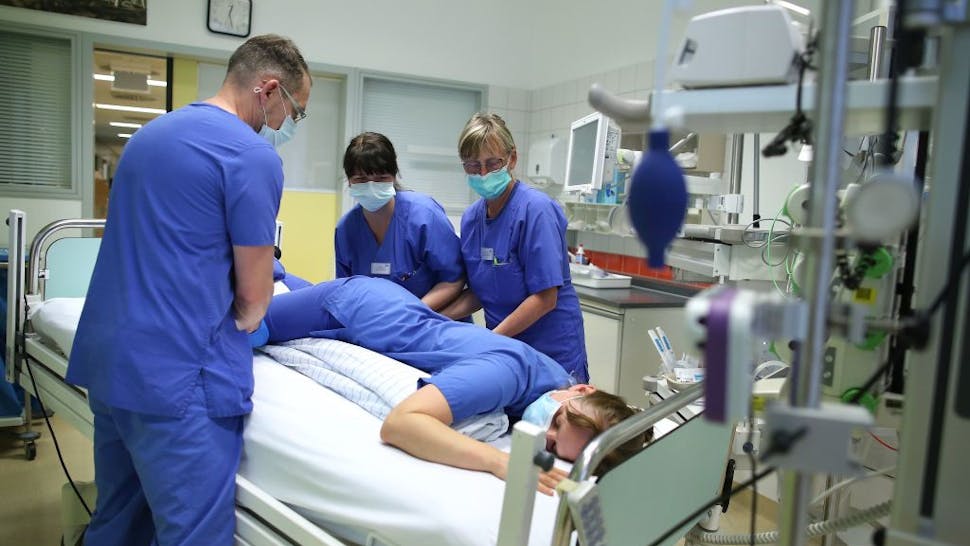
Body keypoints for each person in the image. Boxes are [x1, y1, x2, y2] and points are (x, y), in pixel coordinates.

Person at [65, 34, 312, 546]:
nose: (288, 126)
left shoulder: (148, 137)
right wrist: (248, 320)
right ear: (268, 90)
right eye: (294, 111)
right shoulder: (250, 156)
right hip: (178, 383)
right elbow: (253, 296)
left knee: (117, 520)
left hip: (113, 367)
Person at [253, 275, 647, 493]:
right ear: (583, 390)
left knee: (285, 291)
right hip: (356, 309)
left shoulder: (558, 380)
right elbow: (402, 424)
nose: (544, 432)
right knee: (248, 321)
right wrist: (498, 461)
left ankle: (282, 276)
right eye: (557, 422)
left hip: (393, 306)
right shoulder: (504, 374)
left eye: (552, 446)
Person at [440, 113, 589, 382]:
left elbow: (545, 298)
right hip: (505, 351)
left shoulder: (536, 210)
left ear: (512, 159)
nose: (482, 174)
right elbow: (479, 292)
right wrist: (437, 319)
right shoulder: (473, 219)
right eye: (473, 166)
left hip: (551, 353)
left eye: (492, 163)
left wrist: (489, 341)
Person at [335, 132, 466, 313]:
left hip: (434, 323)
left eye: (381, 178)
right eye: (361, 180)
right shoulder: (346, 230)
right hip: (375, 328)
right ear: (349, 181)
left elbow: (454, 279)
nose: (371, 185)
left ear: (394, 175)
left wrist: (410, 314)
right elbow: (345, 293)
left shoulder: (424, 216)